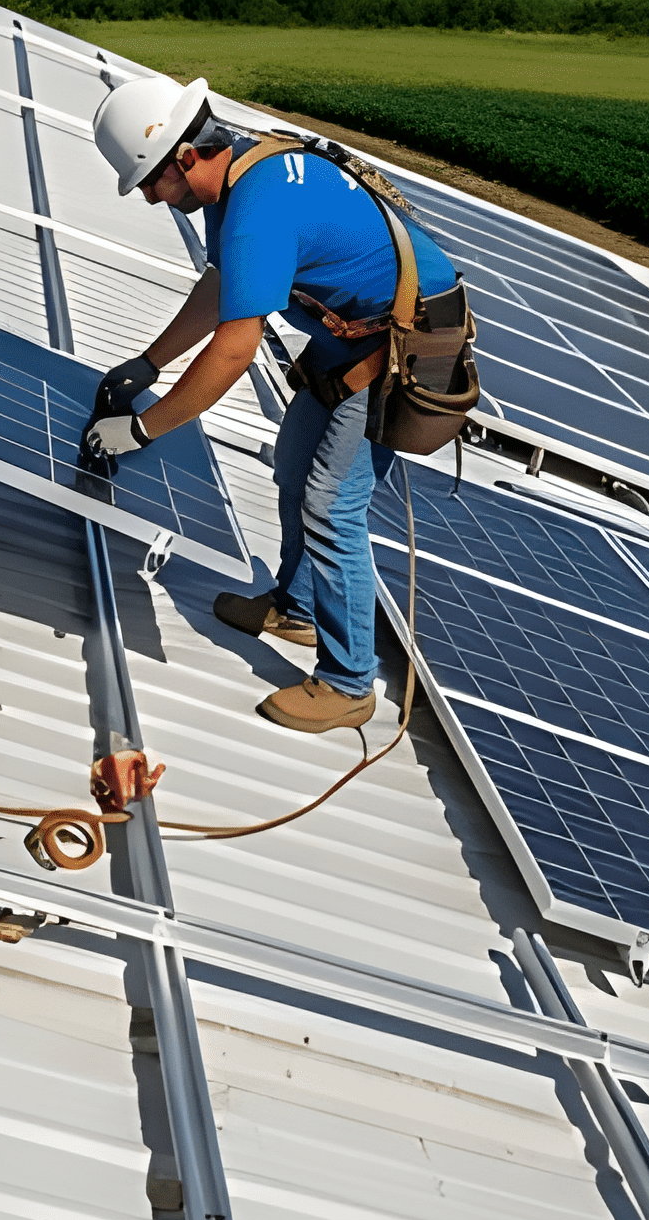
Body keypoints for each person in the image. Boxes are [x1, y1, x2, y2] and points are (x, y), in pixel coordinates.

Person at [82, 74, 461, 732]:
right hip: (355, 337)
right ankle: (297, 608)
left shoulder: (258, 206)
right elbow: (226, 285)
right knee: (292, 469)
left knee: (331, 503)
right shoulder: (241, 178)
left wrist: (143, 429)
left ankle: (349, 684)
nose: (148, 198)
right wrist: (149, 362)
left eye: (150, 181)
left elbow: (234, 350)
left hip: (405, 344)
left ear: (185, 157)